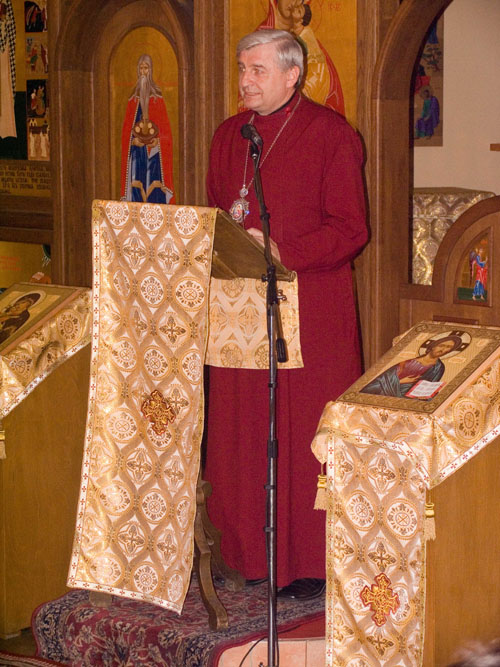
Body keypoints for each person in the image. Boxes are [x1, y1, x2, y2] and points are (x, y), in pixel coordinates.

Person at [204, 29, 367, 600]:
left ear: (292, 74)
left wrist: (283, 252)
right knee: (242, 432)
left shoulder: (331, 136)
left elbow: (353, 229)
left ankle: (306, 564)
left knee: (299, 436)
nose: (244, 80)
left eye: (257, 70)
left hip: (311, 309)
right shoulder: (231, 135)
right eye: (241, 69)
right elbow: (216, 216)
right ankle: (243, 553)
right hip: (237, 311)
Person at [120, 54, 175, 204]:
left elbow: (166, 133)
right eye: (141, 68)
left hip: (154, 154)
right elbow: (126, 131)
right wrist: (133, 141)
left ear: (151, 70)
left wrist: (157, 142)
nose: (144, 72)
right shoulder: (133, 100)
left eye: (146, 68)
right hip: (137, 154)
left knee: (154, 187)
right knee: (136, 188)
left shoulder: (157, 99)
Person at [360, 334, 467, 399]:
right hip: (387, 385)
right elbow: (385, 377)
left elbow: (428, 386)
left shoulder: (438, 367)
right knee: (368, 391)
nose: (443, 350)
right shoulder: (410, 360)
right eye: (442, 345)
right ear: (433, 346)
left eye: (448, 348)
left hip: (409, 393)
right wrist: (400, 381)